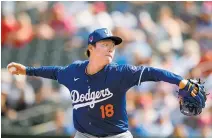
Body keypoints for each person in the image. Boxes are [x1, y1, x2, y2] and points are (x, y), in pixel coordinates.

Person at [7, 28, 199, 138]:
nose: (110, 49)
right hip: (85, 136)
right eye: (105, 44)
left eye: (112, 46)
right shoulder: (73, 71)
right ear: (91, 48)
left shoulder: (120, 72)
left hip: (117, 136)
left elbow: (151, 72)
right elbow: (54, 72)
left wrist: (180, 81)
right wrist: (26, 70)